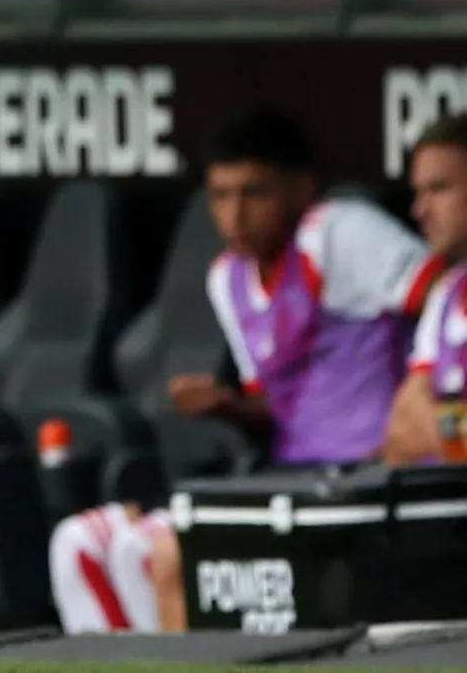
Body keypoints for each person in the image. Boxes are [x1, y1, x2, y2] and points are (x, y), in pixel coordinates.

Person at [49, 110, 444, 632]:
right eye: (220, 196)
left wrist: (420, 410)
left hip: (368, 482)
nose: (234, 215)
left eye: (255, 193)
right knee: (81, 544)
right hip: (290, 479)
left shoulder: (336, 232)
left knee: (152, 552)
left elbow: (448, 295)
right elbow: (277, 411)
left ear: (301, 189)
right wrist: (229, 406)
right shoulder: (226, 279)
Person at [387, 115, 467, 465]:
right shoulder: (447, 292)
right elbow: (398, 434)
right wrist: (452, 434)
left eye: (439, 189)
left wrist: (432, 431)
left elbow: (415, 430)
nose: (419, 210)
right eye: (419, 192)